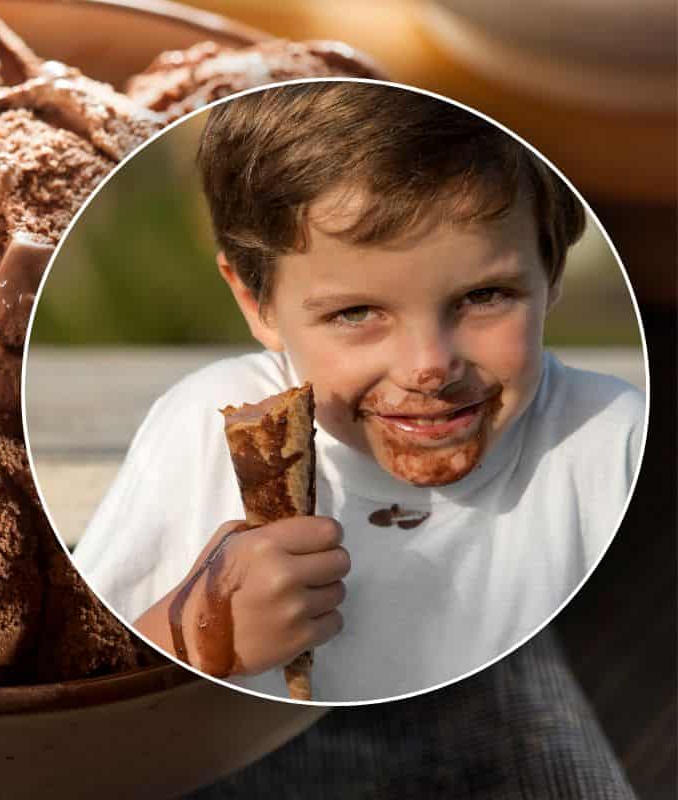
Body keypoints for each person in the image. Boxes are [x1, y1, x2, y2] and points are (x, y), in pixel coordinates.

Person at [74, 81, 645, 702]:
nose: (430, 368)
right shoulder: (203, 430)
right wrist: (197, 635)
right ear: (255, 301)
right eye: (355, 313)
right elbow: (77, 684)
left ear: (551, 271)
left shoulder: (611, 441)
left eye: (485, 297)